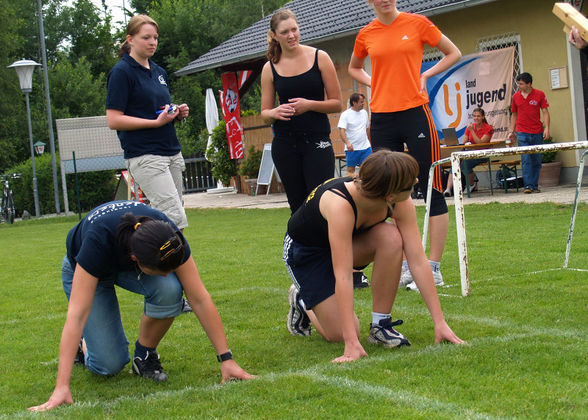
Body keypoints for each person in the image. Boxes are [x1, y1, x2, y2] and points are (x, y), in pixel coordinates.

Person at [29, 201, 254, 412]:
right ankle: (84, 346)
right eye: (162, 271)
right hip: (85, 268)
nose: (168, 275)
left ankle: (144, 357)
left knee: (171, 290)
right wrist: (61, 387)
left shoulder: (169, 237)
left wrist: (227, 359)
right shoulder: (98, 242)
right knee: (108, 365)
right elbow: (76, 315)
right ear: (135, 260)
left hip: (127, 256)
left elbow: (199, 298)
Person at [284, 151, 464, 363]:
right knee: (338, 334)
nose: (416, 180)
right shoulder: (339, 204)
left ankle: (381, 326)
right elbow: (342, 274)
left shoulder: (398, 201)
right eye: (410, 180)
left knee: (391, 237)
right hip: (307, 253)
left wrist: (439, 321)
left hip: (347, 243)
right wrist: (350, 343)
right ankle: (303, 299)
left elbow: (417, 259)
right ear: (388, 195)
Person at [348, 0, 462, 291]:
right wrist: (375, 82)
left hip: (416, 113)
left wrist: (425, 74)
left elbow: (454, 53)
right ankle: (406, 263)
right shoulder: (366, 34)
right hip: (383, 117)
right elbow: (354, 68)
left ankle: (433, 267)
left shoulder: (417, 24)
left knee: (431, 186)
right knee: (388, 191)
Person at [106, 14, 192, 312]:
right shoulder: (121, 72)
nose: (152, 42)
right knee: (174, 219)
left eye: (155, 38)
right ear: (130, 39)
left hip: (170, 151)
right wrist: (154, 122)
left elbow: (158, 110)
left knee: (164, 222)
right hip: (145, 155)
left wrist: (176, 112)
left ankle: (158, 279)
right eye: (146, 37)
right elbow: (113, 119)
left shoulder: (158, 71)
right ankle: (184, 291)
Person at [260, 8, 342, 214]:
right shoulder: (270, 68)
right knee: (297, 207)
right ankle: (300, 247)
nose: (291, 35)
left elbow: (337, 103)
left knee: (321, 201)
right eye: (285, 32)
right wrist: (275, 112)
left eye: (294, 29)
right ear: (275, 36)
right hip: (286, 145)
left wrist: (310, 105)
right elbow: (264, 112)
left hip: (317, 141)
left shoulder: (319, 57)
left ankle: (326, 247)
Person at [507, 72, 550, 194]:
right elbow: (514, 114)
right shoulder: (515, 97)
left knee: (536, 160)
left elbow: (545, 112)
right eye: (518, 83)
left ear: (529, 84)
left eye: (521, 84)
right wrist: (511, 131)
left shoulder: (539, 94)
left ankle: (534, 185)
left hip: (536, 131)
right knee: (525, 159)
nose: (518, 86)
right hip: (522, 132)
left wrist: (547, 128)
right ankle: (528, 186)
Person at [444, 108, 495, 196]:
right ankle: (448, 189)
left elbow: (480, 144)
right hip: (469, 153)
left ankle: (471, 184)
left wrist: (472, 131)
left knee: (465, 164)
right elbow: (464, 142)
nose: (476, 118)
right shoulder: (470, 127)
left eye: (478, 116)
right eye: (474, 116)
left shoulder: (488, 128)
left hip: (482, 154)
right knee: (456, 162)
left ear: (483, 117)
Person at [338, 93, 372, 177]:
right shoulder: (345, 114)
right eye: (361, 102)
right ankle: (351, 188)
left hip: (366, 147)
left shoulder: (364, 113)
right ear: (354, 102)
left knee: (369, 168)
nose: (363, 104)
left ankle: (367, 187)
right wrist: (347, 143)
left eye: (363, 102)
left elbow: (368, 129)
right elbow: (341, 131)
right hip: (352, 148)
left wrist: (370, 143)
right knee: (351, 171)